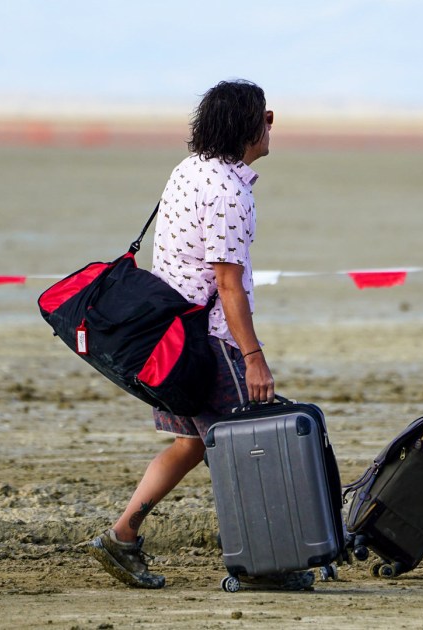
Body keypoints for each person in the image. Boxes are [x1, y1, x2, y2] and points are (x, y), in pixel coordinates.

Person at [86, 79, 276, 589]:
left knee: (192, 443)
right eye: (265, 114)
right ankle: (259, 565)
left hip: (169, 338)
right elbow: (228, 286)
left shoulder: (189, 170)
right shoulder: (229, 191)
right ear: (247, 126)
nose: (271, 122)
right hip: (208, 343)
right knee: (247, 446)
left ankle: (121, 536)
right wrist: (253, 356)